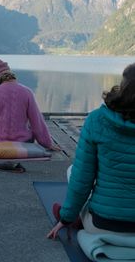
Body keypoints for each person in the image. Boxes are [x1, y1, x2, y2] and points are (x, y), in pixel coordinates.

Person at [47, 62, 135, 242]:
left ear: (123, 86)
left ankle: (74, 217)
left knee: (75, 171)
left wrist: (65, 219)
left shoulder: (97, 119)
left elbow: (82, 180)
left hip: (104, 225)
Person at [0, 58, 60, 170]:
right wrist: (47, 144)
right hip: (23, 142)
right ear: (11, 73)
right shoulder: (27, 92)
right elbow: (37, 122)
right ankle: (5, 162)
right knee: (30, 123)